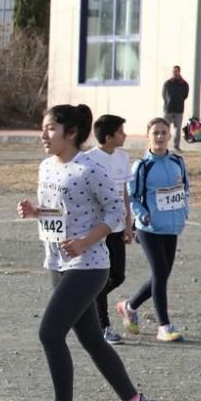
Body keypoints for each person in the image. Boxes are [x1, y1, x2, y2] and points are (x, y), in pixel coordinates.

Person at [17, 104, 153, 401]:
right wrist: (36, 211)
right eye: (43, 127)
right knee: (91, 338)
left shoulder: (90, 168)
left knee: (49, 332)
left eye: (50, 128)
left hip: (89, 265)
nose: (43, 135)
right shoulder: (47, 167)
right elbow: (61, 210)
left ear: (71, 133)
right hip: (57, 261)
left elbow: (115, 214)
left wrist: (85, 241)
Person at [116, 118, 190, 342]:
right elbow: (132, 197)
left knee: (163, 274)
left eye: (163, 133)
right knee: (160, 273)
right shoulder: (142, 166)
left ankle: (129, 306)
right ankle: (164, 326)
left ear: (169, 135)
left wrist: (184, 213)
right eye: (155, 133)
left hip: (171, 226)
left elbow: (185, 190)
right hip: (149, 229)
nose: (160, 137)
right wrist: (143, 216)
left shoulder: (178, 161)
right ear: (148, 136)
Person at [85, 115, 134, 345]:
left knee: (118, 276)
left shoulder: (123, 158)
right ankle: (103, 327)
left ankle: (86, 303)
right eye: (121, 131)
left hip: (116, 227)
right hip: (97, 229)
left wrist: (127, 224)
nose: (125, 135)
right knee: (102, 277)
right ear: (108, 136)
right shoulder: (88, 160)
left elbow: (124, 193)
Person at [162, 66, 189, 151]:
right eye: (173, 71)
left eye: (176, 71)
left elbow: (185, 95)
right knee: (165, 128)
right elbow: (163, 94)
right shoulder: (167, 83)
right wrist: (168, 101)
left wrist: (179, 101)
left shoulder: (184, 84)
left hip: (179, 109)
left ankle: (176, 146)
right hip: (168, 109)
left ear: (179, 72)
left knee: (177, 129)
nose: (174, 73)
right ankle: (164, 145)